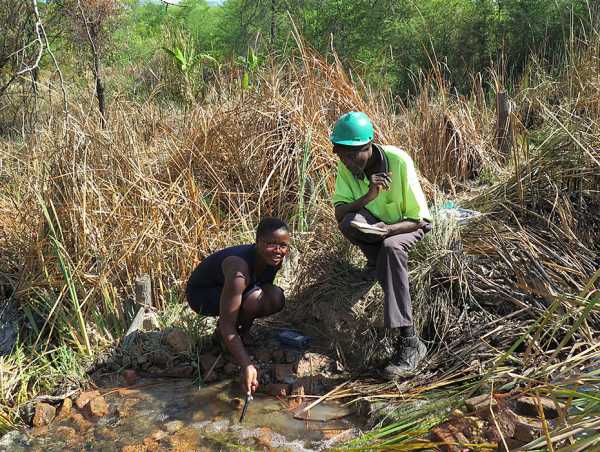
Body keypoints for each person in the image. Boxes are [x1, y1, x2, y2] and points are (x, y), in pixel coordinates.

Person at [330, 111, 432, 378]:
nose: (349, 162)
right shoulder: (348, 165)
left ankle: (410, 341)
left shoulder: (397, 161)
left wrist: (387, 230)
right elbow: (340, 213)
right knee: (350, 222)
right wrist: (369, 195)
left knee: (391, 248)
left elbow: (419, 220)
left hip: (405, 226)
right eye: (342, 155)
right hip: (377, 225)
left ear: (369, 146)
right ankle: (377, 263)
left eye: (354, 156)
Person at [186, 217, 290, 394]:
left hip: (232, 290)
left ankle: (237, 339)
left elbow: (260, 295)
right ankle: (223, 339)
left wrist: (243, 331)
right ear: (257, 242)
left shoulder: (274, 259)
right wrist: (247, 365)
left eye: (283, 245)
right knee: (249, 301)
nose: (278, 250)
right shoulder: (238, 269)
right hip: (202, 294)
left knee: (274, 297)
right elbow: (228, 322)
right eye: (271, 244)